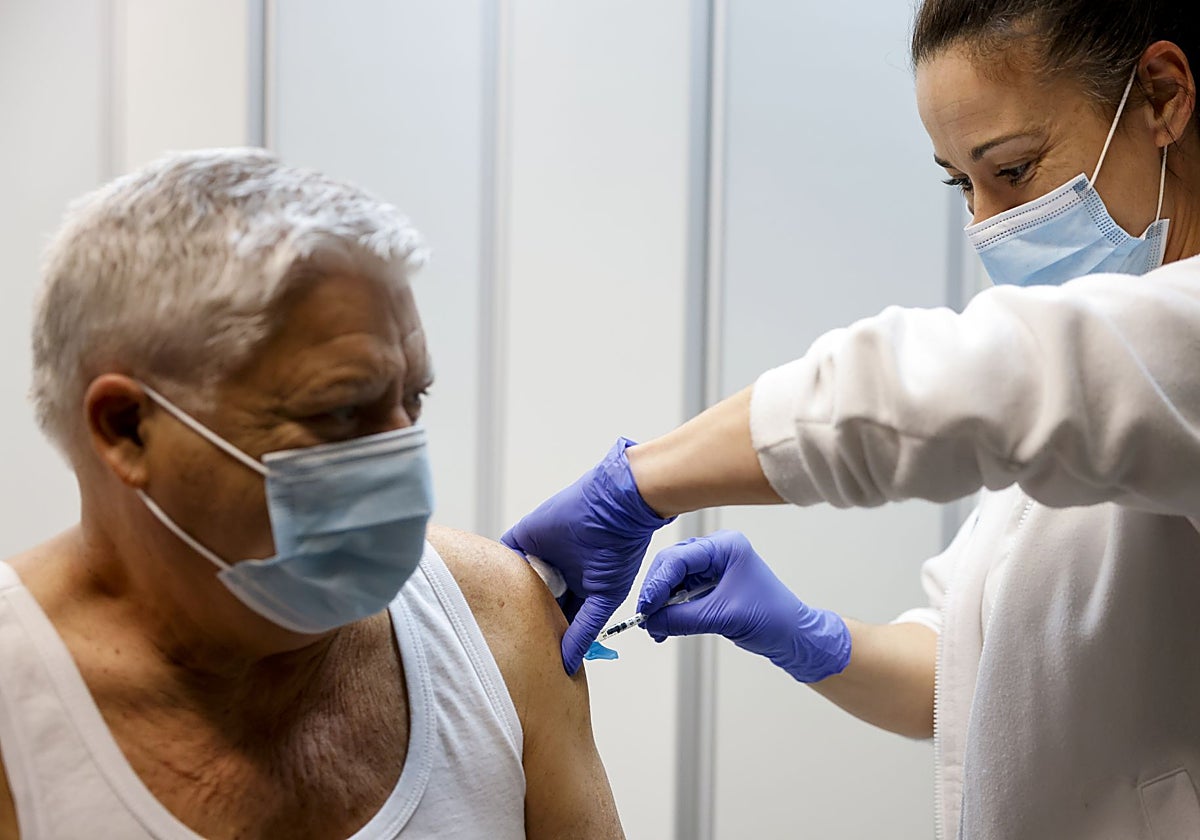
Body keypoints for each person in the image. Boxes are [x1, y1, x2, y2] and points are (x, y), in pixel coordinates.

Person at [502, 1, 1200, 836]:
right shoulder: (1106, 394)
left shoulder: (1145, 351)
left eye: (1011, 170)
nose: (986, 223)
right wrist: (809, 637)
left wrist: (642, 484)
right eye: (960, 183)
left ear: (1161, 96)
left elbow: (947, 386)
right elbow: (966, 674)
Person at [0, 149, 623, 840]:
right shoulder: (19, 708)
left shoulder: (492, 617)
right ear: (128, 428)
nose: (402, 462)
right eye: (339, 412)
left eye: (411, 401)